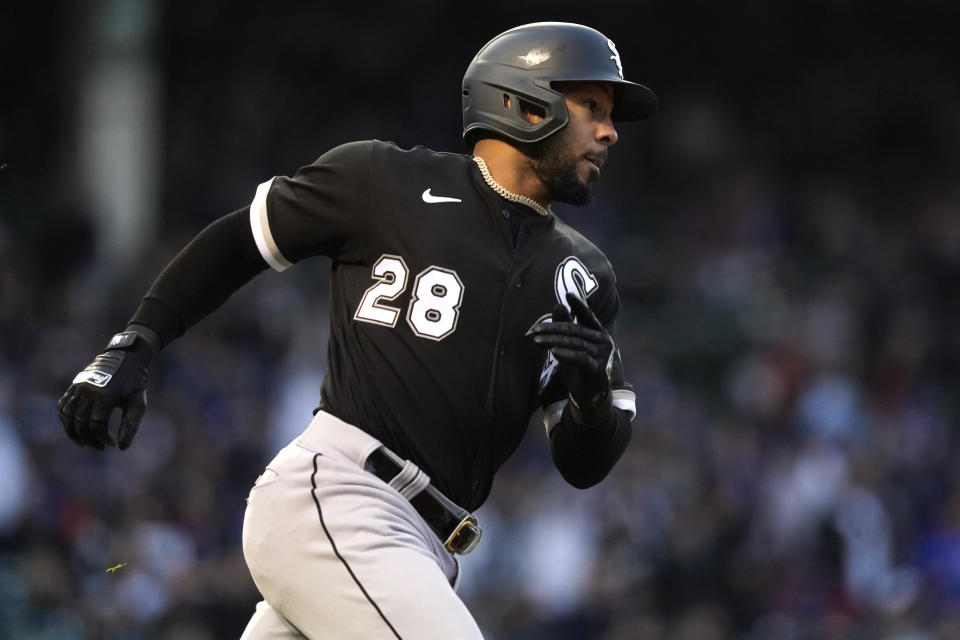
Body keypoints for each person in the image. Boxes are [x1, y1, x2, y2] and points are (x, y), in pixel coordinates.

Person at [57, 21, 657, 639]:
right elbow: (241, 243)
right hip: (343, 499)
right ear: (523, 100)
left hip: (422, 546)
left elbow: (585, 465)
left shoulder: (584, 273)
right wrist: (136, 341)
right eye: (592, 107)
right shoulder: (384, 180)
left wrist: (587, 401)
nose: (609, 132)